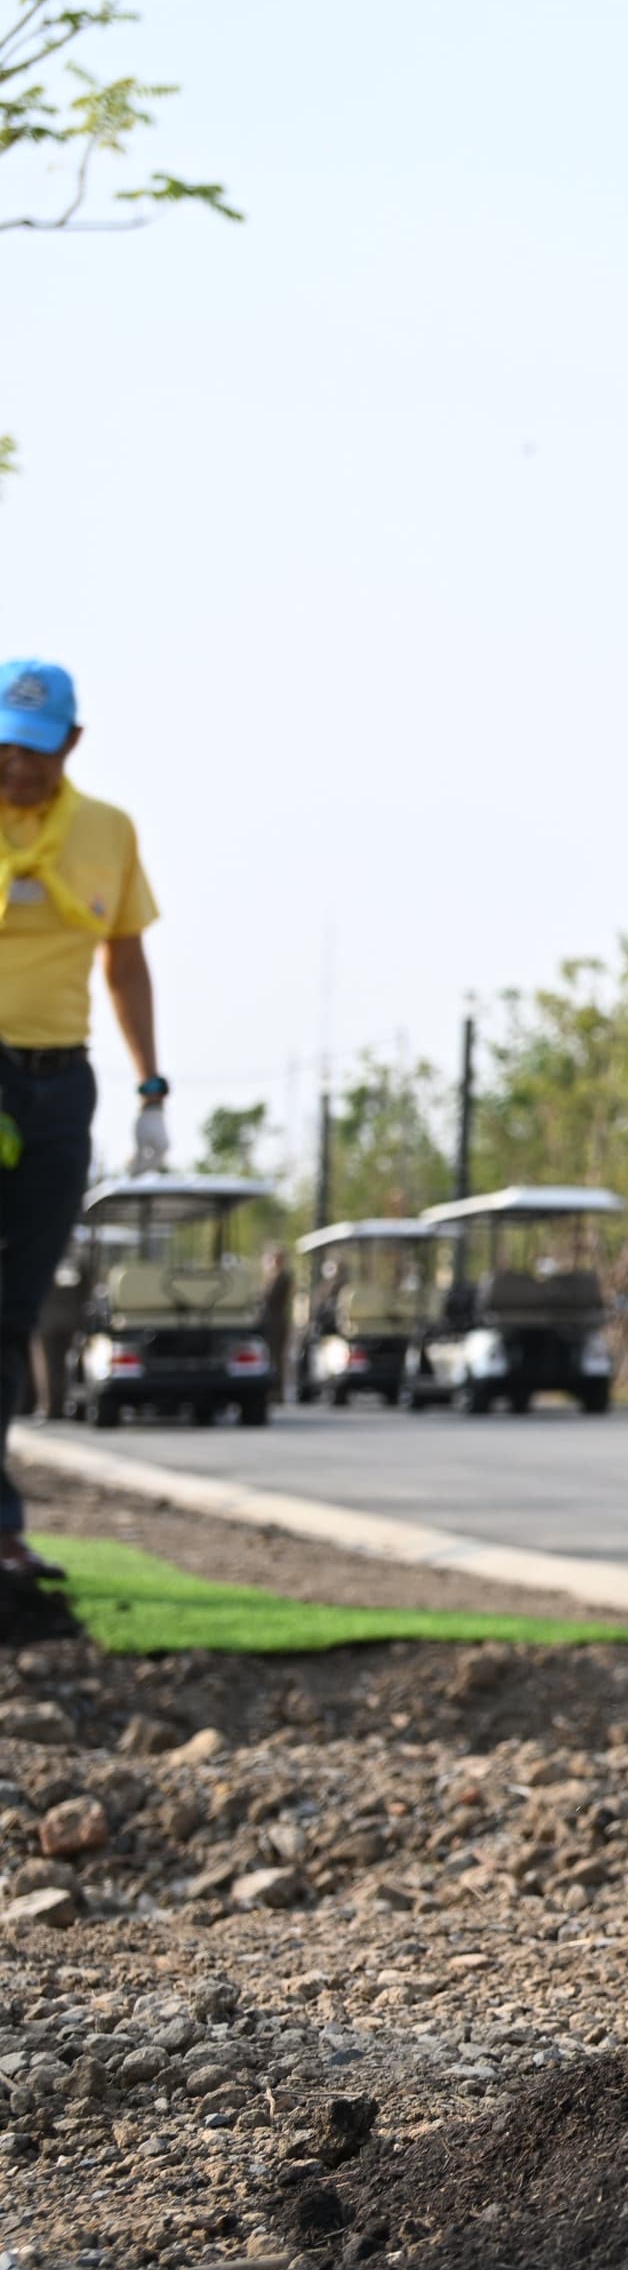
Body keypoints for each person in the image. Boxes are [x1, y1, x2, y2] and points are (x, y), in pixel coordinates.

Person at [0, 662, 167, 1586]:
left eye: (32, 747)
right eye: (3, 745)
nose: (15, 765)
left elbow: (125, 963)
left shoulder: (106, 832)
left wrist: (151, 1089)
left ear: (69, 742)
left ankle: (0, 1530)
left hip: (61, 1083)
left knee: (14, 1311)